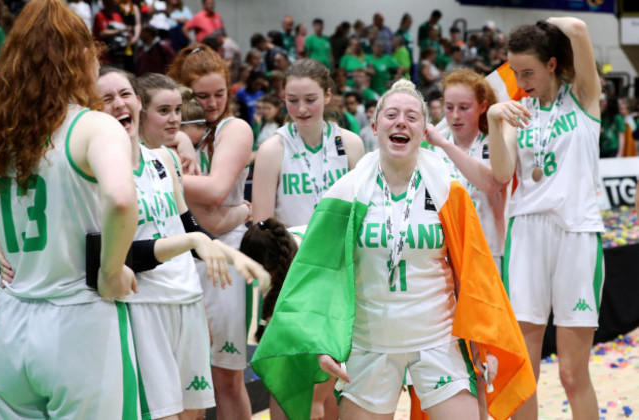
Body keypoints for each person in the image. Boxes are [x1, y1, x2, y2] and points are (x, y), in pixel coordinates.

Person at [252, 79, 535, 420]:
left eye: (412, 116)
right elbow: (320, 272)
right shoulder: (346, 193)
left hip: (437, 339)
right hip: (370, 343)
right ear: (375, 125)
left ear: (423, 130)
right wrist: (324, 341)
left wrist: (479, 338)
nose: (401, 121)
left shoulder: (448, 190)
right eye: (392, 114)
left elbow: (471, 271)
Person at [0, 0, 142, 417]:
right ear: (81, 56)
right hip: (78, 320)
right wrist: (111, 272)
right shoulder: (94, 126)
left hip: (9, 318)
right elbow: (122, 198)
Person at [97, 67, 268, 420]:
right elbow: (115, 253)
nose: (119, 104)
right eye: (107, 98)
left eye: (125, 94)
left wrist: (222, 257)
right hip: (145, 305)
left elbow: (187, 227)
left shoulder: (166, 159)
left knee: (193, 414)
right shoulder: (100, 172)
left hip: (186, 299)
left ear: (138, 102)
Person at [486, 18, 604, 420]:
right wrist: (494, 120)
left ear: (552, 64)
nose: (521, 80)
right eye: (515, 72)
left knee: (573, 374)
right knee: (524, 371)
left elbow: (577, 27)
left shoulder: (585, 97)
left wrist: (538, 26)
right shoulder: (518, 111)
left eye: (528, 72)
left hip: (577, 232)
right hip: (527, 234)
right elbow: (501, 175)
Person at [168, 44, 255, 420]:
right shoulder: (169, 133)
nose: (212, 103)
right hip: (177, 258)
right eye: (202, 96)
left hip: (223, 262)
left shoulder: (235, 128)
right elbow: (214, 216)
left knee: (226, 378)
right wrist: (235, 212)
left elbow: (218, 193)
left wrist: (166, 174)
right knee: (182, 381)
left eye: (220, 93)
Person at [425, 69, 509, 419]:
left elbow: (492, 182)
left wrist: (444, 145)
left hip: (488, 256)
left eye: (464, 108)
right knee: (454, 352)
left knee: (487, 353)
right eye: (448, 108)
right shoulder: (434, 141)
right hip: (444, 263)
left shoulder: (495, 141)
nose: (455, 116)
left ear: (483, 108)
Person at [252, 58, 365, 228]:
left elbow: (362, 214)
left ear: (327, 95)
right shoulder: (271, 150)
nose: (301, 109)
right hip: (292, 252)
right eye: (292, 100)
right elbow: (262, 226)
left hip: (341, 251)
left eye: (310, 100)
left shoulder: (350, 144)